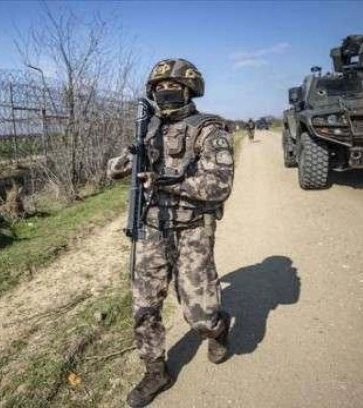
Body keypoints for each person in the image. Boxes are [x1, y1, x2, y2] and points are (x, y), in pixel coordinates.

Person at [106, 58, 234, 408]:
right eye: (158, 88)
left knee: (199, 315)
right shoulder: (147, 130)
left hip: (192, 228)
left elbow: (219, 185)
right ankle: (155, 370)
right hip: (152, 229)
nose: (165, 92)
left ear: (189, 90)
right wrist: (129, 159)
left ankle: (217, 329)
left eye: (172, 87)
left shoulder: (208, 129)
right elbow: (114, 169)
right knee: (144, 306)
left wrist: (167, 182)